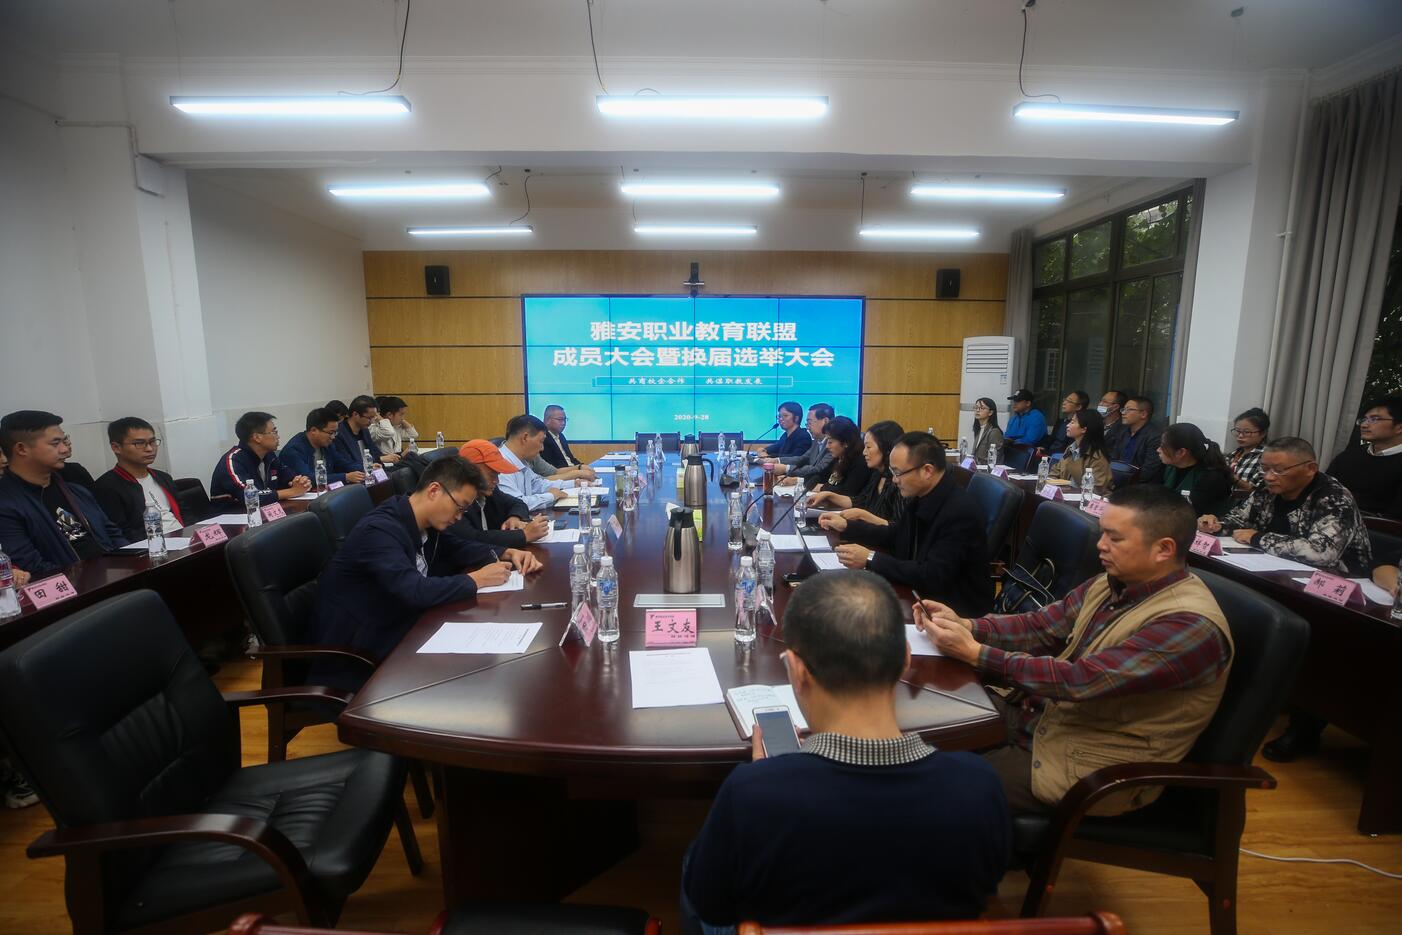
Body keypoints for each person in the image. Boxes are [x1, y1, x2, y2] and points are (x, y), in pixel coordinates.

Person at [680, 570, 1009, 932]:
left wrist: (770, 777)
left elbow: (709, 902)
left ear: (798, 671)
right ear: (905, 658)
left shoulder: (751, 794)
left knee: (693, 869)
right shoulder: (979, 787)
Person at [918, 485, 1233, 816]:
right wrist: (969, 626)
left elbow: (1080, 680)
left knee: (932, 787)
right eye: (1102, 533)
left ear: (1163, 549)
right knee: (917, 731)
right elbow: (1039, 626)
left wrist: (976, 654)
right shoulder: (1113, 583)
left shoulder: (1189, 625)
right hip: (1040, 717)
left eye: (1115, 538)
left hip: (1088, 761)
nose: (1100, 545)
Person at [307, 456, 541, 691]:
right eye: (459, 507)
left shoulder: (421, 520)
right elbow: (414, 590)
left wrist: (505, 552)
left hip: (402, 629)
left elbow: (457, 547)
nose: (459, 516)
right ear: (434, 490)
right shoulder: (379, 531)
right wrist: (475, 579)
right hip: (362, 654)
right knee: (474, 682)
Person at [830, 432, 993, 617]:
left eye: (898, 473)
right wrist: (848, 527)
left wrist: (870, 558)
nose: (894, 480)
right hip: (921, 595)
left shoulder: (959, 512)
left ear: (927, 471)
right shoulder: (923, 495)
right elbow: (896, 534)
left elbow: (932, 575)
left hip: (953, 613)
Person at [1199, 437, 1372, 577]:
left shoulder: (1335, 498)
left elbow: (1321, 553)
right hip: (1274, 566)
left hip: (1338, 581)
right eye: (1264, 468)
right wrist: (1217, 525)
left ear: (1310, 469)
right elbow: (1240, 520)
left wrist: (1258, 538)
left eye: (1279, 470)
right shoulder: (1268, 489)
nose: (1269, 477)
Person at [0, 410, 127, 576]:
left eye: (64, 441)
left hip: (113, 576)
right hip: (71, 587)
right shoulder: (6, 504)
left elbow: (114, 535)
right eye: (55, 444)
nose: (65, 449)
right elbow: (32, 567)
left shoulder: (76, 490)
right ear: (21, 449)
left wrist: (130, 565)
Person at [93, 417, 185, 542]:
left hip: (184, 538)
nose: (150, 449)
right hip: (152, 546)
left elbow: (185, 514)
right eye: (139, 443)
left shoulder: (163, 477)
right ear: (116, 447)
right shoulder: (107, 486)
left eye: (153, 442)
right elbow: (122, 534)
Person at [453, 439, 552, 548]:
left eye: (497, 475)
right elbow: (473, 538)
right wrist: (524, 535)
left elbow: (517, 503)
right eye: (492, 475)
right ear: (470, 471)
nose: (496, 481)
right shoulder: (456, 501)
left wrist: (514, 517)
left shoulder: (489, 490)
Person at [814, 420, 904, 528]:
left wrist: (862, 515)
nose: (864, 452)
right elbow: (860, 501)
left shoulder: (899, 481)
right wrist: (829, 495)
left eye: (868, 447)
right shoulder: (877, 474)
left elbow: (900, 528)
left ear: (886, 448)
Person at [210, 411, 312, 506]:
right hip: (232, 515)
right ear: (257, 437)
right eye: (274, 432)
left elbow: (289, 477)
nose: (278, 437)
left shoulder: (269, 456)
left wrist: (301, 482)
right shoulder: (233, 460)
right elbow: (251, 497)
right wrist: (293, 491)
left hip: (264, 511)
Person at [1326, 396, 1402, 518]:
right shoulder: (1348, 457)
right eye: (1363, 420)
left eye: (1374, 419)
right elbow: (1323, 492)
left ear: (1399, 427)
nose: (1364, 425)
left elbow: (1395, 518)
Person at [496, 415, 577, 510]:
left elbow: (537, 484)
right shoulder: (500, 463)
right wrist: (551, 496)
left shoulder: (522, 460)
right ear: (525, 437)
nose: (542, 448)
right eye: (541, 441)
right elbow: (515, 504)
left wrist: (574, 483)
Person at [1157, 423, 1233, 517]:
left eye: (1163, 446)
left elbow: (1190, 512)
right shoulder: (1167, 467)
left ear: (1181, 452)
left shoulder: (1211, 477)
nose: (1158, 450)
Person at [280, 407, 366, 487]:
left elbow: (343, 464)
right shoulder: (293, 450)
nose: (333, 437)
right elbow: (309, 478)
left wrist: (365, 468)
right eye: (331, 433)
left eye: (335, 432)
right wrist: (345, 477)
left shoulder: (327, 445)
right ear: (314, 430)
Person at [769, 403, 834, 484]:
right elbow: (802, 459)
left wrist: (786, 469)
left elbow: (818, 469)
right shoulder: (816, 441)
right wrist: (777, 460)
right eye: (807, 423)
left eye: (810, 422)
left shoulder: (833, 444)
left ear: (825, 421)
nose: (807, 427)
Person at [808, 416, 871, 500]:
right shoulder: (840, 458)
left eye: (830, 442)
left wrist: (823, 487)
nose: (827, 446)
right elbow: (821, 477)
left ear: (846, 442)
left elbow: (847, 492)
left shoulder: (861, 462)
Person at [1049, 408, 1112, 490]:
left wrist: (1066, 489)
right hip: (1065, 493)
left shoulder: (1097, 456)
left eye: (1072, 422)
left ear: (1084, 429)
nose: (1067, 425)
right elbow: (1055, 472)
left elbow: (1096, 489)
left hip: (1085, 496)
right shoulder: (1071, 448)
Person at [331, 395, 391, 474]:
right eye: (369, 418)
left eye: (373, 418)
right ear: (355, 414)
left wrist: (382, 458)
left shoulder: (364, 430)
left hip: (370, 471)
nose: (372, 421)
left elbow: (375, 452)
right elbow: (346, 464)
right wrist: (377, 461)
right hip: (354, 475)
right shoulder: (339, 433)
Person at [1117, 396, 1164, 484]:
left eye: (1129, 410)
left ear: (1143, 414)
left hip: (1142, 486)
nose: (1123, 413)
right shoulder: (1122, 432)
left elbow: (1149, 469)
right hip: (1119, 480)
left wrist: (1127, 482)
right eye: (1123, 409)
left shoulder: (1155, 436)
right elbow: (1114, 459)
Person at [1226, 408, 1269, 491]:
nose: (1240, 436)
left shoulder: (1266, 457)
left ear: (1263, 433)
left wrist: (1235, 479)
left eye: (1247, 432)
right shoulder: (1233, 455)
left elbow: (1262, 492)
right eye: (1237, 431)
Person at [1002, 389, 1048, 457]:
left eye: (1018, 401)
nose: (1014, 403)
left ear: (1028, 403)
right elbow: (1007, 436)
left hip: (1029, 455)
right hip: (1013, 452)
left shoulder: (1037, 417)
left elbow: (1030, 441)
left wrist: (1010, 442)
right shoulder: (1014, 418)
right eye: (1014, 401)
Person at [540, 405, 582, 470]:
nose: (563, 423)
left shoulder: (561, 436)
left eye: (565, 419)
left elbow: (571, 459)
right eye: (560, 419)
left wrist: (582, 466)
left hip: (573, 470)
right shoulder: (542, 438)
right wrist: (578, 469)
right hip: (562, 473)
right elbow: (552, 467)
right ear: (547, 420)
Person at [969, 398, 1004, 468]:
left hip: (986, 470)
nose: (978, 410)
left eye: (982, 408)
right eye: (976, 407)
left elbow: (994, 458)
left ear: (990, 412)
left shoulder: (994, 432)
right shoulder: (979, 429)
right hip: (978, 467)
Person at [1097, 390, 1130, 457]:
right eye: (1100, 401)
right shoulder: (1095, 423)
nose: (1100, 404)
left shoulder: (1124, 429)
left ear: (1115, 407)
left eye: (1104, 401)